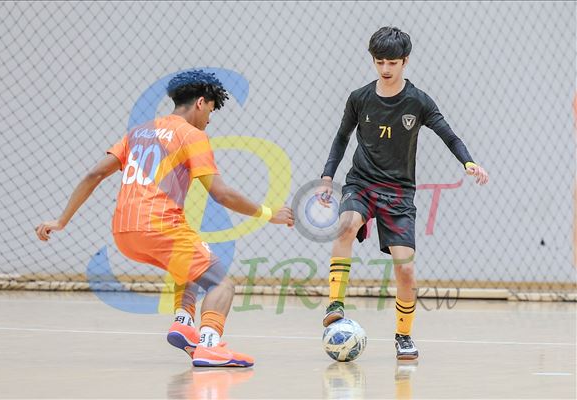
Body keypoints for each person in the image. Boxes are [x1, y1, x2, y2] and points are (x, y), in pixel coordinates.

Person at [35, 70, 294, 367]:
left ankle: (184, 322)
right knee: (222, 284)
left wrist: (62, 221)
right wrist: (267, 213)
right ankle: (210, 345)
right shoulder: (193, 136)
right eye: (210, 110)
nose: (210, 119)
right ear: (200, 103)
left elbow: (94, 174)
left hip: (124, 233)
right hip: (160, 227)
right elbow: (221, 194)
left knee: (190, 265)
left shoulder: (138, 132)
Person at [316, 27, 489, 360]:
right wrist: (327, 178)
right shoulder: (359, 98)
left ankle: (403, 336)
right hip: (362, 182)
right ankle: (335, 303)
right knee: (346, 224)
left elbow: (449, 135)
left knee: (406, 270)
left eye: (392, 62)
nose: (385, 68)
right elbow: (341, 138)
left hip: (398, 193)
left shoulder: (418, 101)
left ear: (405, 61)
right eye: (379, 61)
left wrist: (468, 162)